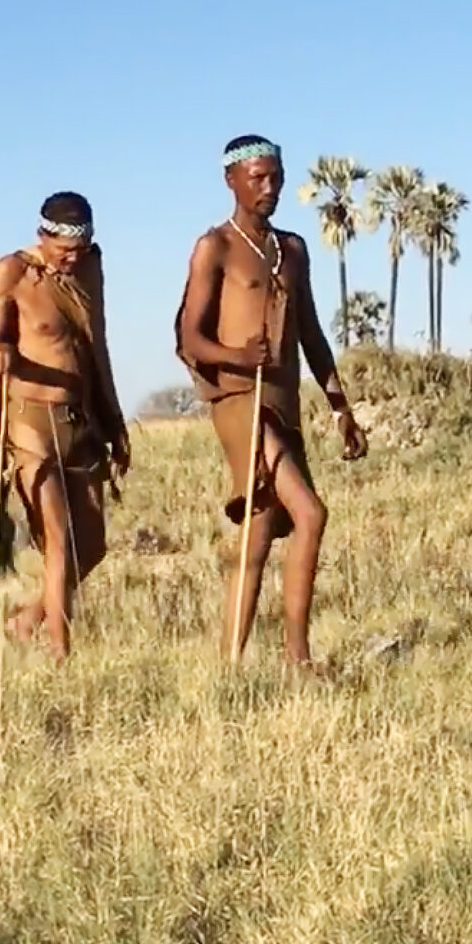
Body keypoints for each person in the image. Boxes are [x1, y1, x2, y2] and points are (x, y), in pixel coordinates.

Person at [174, 136, 368, 668]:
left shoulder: (293, 249)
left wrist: (339, 405)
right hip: (241, 401)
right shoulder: (214, 247)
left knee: (259, 532)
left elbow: (309, 332)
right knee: (310, 514)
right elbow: (190, 339)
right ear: (231, 181)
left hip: (282, 400)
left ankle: (228, 663)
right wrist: (238, 355)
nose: (269, 188)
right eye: (257, 178)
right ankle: (297, 660)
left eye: (276, 177)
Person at [0, 191, 131, 662]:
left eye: (80, 250)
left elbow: (97, 344)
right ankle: (59, 653)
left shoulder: (89, 270)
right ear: (41, 236)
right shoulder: (12, 271)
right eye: (64, 250)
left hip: (78, 415)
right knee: (59, 537)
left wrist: (114, 420)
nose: (72, 259)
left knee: (92, 547)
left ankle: (27, 619)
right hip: (29, 417)